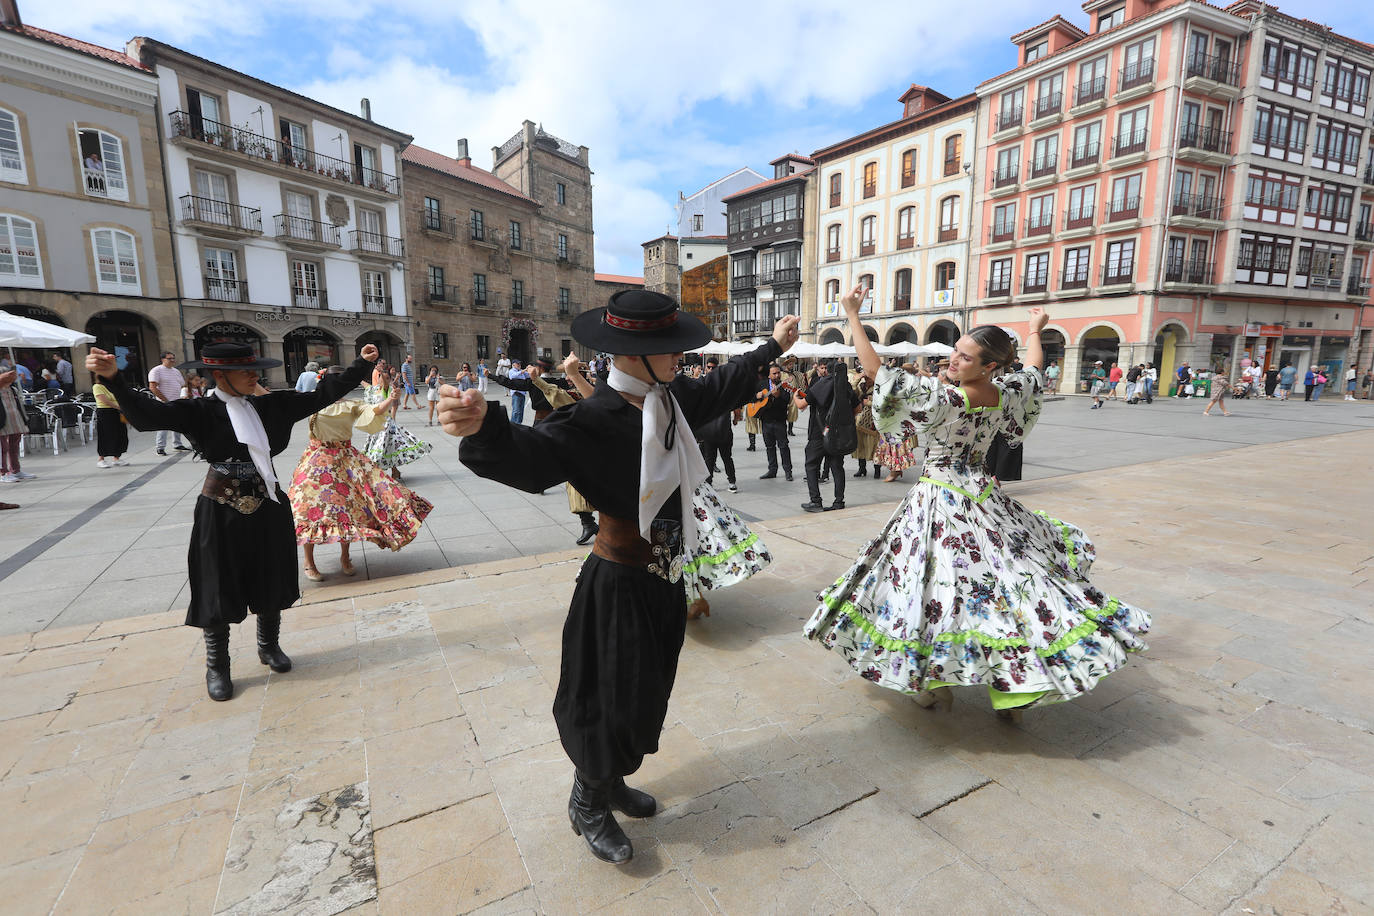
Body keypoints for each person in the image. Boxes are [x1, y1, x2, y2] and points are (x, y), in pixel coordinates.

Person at [441, 289, 798, 864]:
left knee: (645, 691)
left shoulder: (670, 400)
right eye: (670, 349)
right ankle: (589, 800)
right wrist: (483, 430)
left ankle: (611, 780)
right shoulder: (593, 416)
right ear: (635, 354)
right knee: (607, 696)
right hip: (619, 582)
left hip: (665, 580)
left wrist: (772, 347)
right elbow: (530, 457)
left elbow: (725, 383)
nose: (682, 358)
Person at [804, 287, 1150, 721]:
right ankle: (1012, 688)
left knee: (931, 586)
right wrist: (1034, 331)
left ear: (990, 365)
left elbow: (878, 374)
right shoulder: (1005, 392)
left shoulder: (948, 398)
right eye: (956, 351)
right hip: (985, 499)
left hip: (940, 500)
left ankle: (936, 681)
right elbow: (1035, 370)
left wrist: (853, 316)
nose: (954, 360)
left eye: (965, 357)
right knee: (1000, 583)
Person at [86, 341, 381, 701]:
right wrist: (114, 379)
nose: (254, 376)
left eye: (256, 370)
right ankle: (217, 665)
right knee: (217, 580)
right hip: (220, 507)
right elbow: (147, 417)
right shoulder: (200, 410)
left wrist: (362, 365)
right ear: (220, 375)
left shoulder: (271, 406)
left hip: (266, 501)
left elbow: (323, 393)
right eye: (246, 371)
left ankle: (268, 646)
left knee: (271, 572)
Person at [290, 367, 432, 581]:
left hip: (345, 460)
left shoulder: (350, 405)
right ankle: (308, 561)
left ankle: (345, 557)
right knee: (310, 510)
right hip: (316, 462)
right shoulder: (313, 402)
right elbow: (280, 405)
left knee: (347, 509)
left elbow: (373, 411)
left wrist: (391, 399)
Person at [796, 360, 857, 512]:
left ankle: (816, 502)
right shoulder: (846, 387)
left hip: (818, 433)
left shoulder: (820, 385)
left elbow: (801, 405)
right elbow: (858, 408)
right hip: (838, 435)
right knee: (837, 467)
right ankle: (839, 501)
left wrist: (795, 397)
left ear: (827, 371)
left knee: (811, 466)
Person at [363, 376, 432, 481]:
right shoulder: (375, 389)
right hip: (376, 423)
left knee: (382, 448)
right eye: (381, 377)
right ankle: (394, 471)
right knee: (387, 448)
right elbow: (366, 386)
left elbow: (388, 394)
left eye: (385, 378)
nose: (382, 379)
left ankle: (378, 473)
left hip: (386, 424)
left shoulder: (389, 390)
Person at [695, 359, 738, 495]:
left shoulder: (726, 386)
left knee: (727, 457)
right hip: (708, 431)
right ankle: (709, 483)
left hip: (723, 430)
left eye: (714, 367)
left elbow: (735, 403)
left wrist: (737, 416)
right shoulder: (701, 385)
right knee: (709, 459)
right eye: (709, 367)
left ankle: (732, 482)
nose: (711, 370)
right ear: (705, 368)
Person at [752, 364, 794, 481]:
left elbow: (787, 401)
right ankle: (772, 470)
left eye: (778, 373)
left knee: (783, 446)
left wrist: (779, 396)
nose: (777, 375)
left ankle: (788, 471)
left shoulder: (784, 385)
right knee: (769, 447)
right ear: (769, 375)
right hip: (766, 421)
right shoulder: (762, 384)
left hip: (779, 421)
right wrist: (757, 395)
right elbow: (751, 398)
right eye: (774, 373)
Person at [148, 351, 189, 454]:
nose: (172, 360)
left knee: (178, 424)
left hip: (177, 401)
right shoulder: (157, 370)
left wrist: (183, 396)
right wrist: (165, 399)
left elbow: (183, 385)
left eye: (173, 358)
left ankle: (177, 444)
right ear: (163, 359)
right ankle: (160, 447)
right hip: (164, 402)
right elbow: (152, 387)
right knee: (163, 425)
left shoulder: (176, 371)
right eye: (169, 358)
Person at [0, 365, 35, 485]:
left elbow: (18, 404)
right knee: (3, 447)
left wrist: (24, 419)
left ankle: (15, 470)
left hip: (15, 419)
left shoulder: (13, 389)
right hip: (2, 421)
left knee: (14, 446)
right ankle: (3, 472)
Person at [92, 374, 129, 468]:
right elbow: (104, 400)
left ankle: (117, 457)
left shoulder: (111, 386)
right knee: (106, 434)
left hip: (117, 412)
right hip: (105, 412)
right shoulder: (97, 387)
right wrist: (118, 407)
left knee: (120, 433)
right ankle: (101, 458)